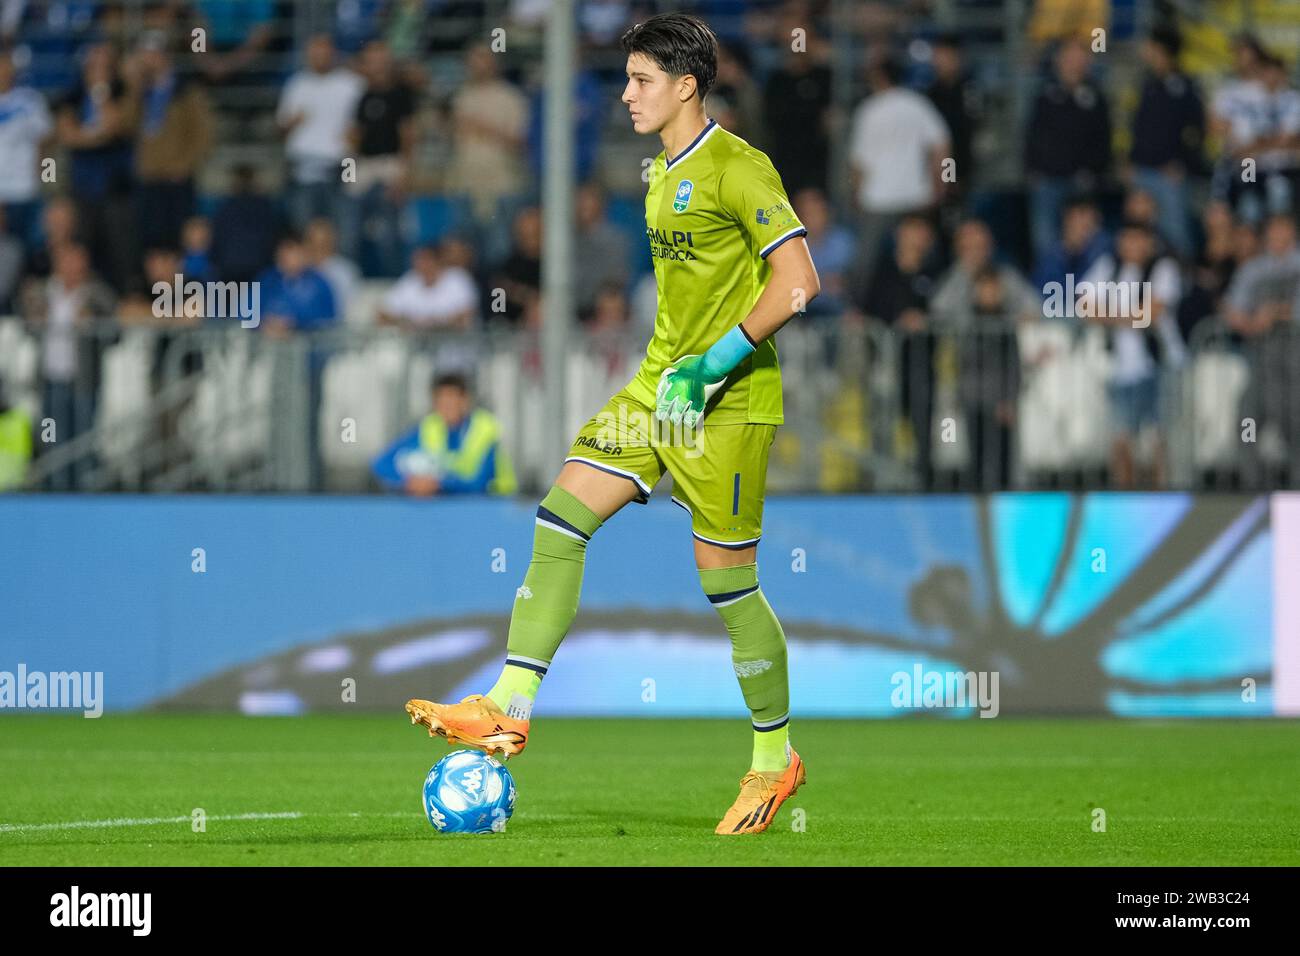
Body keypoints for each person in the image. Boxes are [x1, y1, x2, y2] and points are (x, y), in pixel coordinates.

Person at [404, 13, 819, 836]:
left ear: (686, 86)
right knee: (560, 517)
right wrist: (676, 370)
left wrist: (714, 363)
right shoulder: (660, 173)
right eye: (626, 78)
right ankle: (509, 706)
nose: (625, 95)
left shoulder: (739, 167)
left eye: (641, 81)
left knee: (729, 588)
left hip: (728, 404)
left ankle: (774, 762)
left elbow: (800, 281)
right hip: (658, 389)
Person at [371, 371, 517, 495]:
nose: (447, 407)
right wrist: (409, 482)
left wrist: (439, 484)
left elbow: (480, 483)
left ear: (465, 401)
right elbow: (382, 463)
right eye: (442, 401)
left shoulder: (484, 430)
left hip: (491, 508)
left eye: (452, 400)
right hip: (448, 508)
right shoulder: (429, 428)